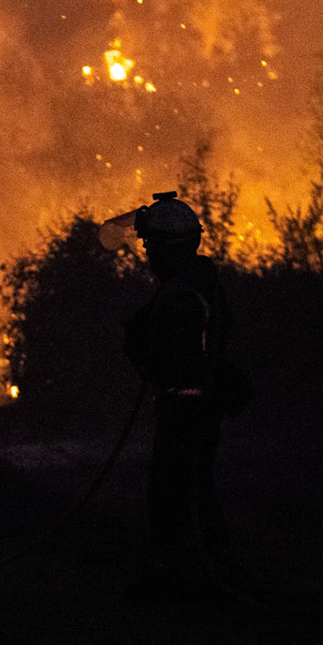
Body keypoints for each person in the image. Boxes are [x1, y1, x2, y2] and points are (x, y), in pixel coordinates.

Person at [121, 191, 248, 597]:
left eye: (150, 246)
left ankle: (182, 575)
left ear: (165, 248)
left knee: (173, 490)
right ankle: (208, 566)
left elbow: (174, 355)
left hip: (185, 407)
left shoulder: (180, 294)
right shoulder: (197, 282)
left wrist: (143, 346)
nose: (147, 255)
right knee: (194, 488)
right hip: (195, 405)